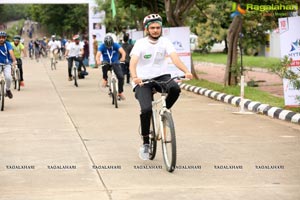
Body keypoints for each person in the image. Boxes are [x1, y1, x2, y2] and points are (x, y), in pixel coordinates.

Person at [129, 14, 193, 160]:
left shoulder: (165, 42)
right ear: (147, 29)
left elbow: (175, 58)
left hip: (161, 76)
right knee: (146, 110)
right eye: (152, 28)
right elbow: (133, 63)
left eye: (158, 27)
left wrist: (186, 71)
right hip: (143, 80)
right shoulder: (140, 43)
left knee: (175, 89)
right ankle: (146, 143)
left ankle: (165, 111)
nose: (155, 30)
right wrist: (135, 77)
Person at [96, 34, 126, 100]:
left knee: (121, 77)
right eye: (107, 46)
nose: (109, 47)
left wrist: (123, 57)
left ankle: (120, 92)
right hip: (106, 62)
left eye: (110, 45)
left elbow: (123, 52)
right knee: (104, 65)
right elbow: (98, 55)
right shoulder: (102, 46)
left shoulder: (116, 45)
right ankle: (105, 79)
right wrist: (98, 60)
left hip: (115, 62)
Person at [0, 31, 17, 98]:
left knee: (8, 78)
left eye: (3, 37)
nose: (1, 39)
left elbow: (11, 52)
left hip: (7, 64)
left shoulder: (8, 44)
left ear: (5, 38)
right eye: (0, 37)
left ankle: (8, 90)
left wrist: (14, 60)